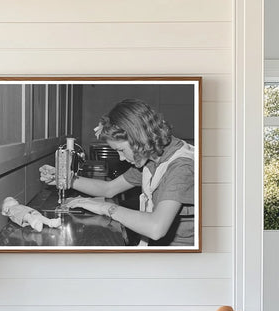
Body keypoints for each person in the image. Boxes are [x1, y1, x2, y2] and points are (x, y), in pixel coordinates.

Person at [39, 99, 195, 246]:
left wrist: (104, 208)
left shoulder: (181, 167)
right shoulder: (153, 156)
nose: (121, 158)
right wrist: (65, 178)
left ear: (138, 139)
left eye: (121, 150)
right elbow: (109, 189)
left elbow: (156, 228)